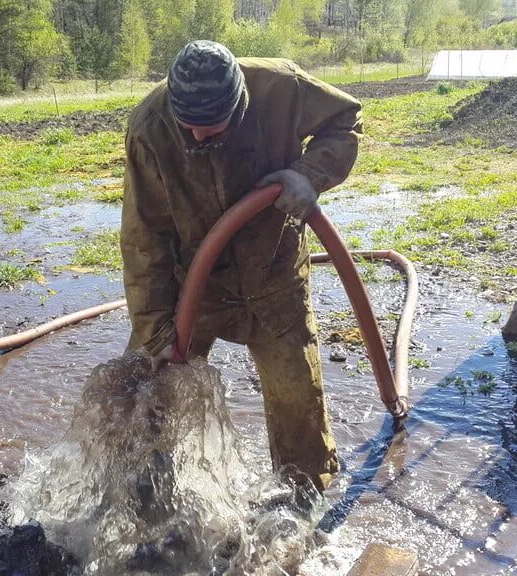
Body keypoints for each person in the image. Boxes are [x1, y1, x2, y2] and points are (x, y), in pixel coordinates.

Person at [120, 40, 362, 491]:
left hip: (274, 273)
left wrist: (309, 174)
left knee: (296, 395)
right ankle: (147, 491)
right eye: (187, 127)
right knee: (150, 388)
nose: (196, 138)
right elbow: (144, 241)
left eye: (209, 128)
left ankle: (303, 495)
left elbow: (346, 120)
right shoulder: (150, 128)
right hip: (193, 286)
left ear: (239, 103)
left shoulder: (282, 88)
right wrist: (158, 335)